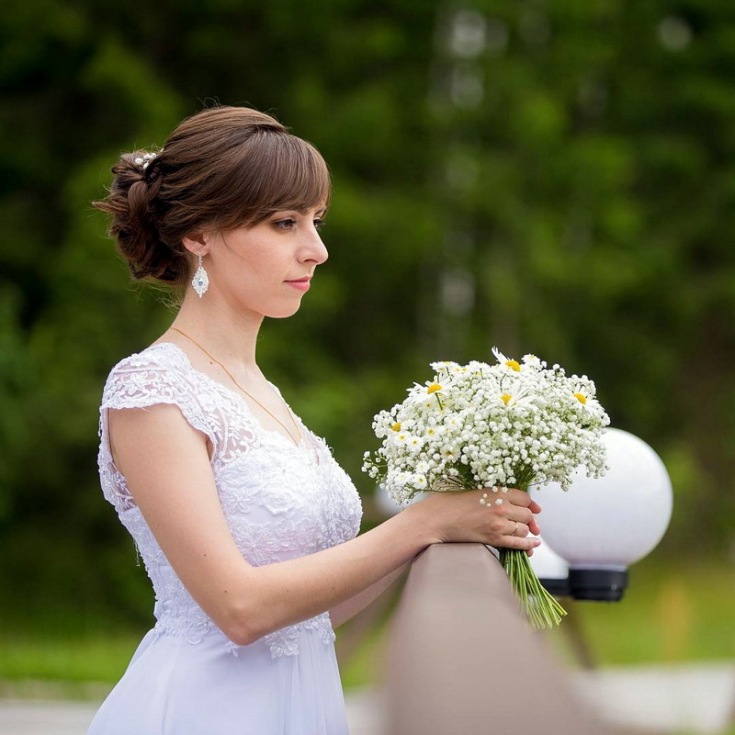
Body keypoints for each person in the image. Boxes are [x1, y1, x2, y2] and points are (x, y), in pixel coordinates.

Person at [88, 104, 542, 735]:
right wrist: (422, 522)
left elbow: (313, 613)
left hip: (301, 707)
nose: (317, 250)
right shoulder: (152, 390)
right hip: (204, 712)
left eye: (316, 221)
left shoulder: (262, 391)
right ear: (199, 235)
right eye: (284, 223)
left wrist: (451, 524)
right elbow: (240, 608)